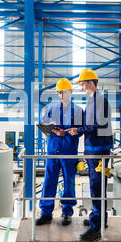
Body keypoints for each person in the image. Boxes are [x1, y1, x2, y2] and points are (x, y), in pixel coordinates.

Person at [67, 68, 113, 241]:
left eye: (83, 83)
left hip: (98, 150)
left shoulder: (99, 101)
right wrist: (77, 130)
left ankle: (96, 228)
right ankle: (100, 220)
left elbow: (95, 126)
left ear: (91, 83)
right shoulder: (94, 100)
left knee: (96, 186)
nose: (81, 87)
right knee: (98, 186)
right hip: (94, 149)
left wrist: (77, 130)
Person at [36, 78, 84, 226]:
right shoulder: (51, 108)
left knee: (69, 181)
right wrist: (50, 128)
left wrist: (67, 134)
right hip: (52, 149)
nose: (62, 95)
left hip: (69, 150)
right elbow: (44, 125)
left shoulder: (78, 111)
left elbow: (82, 130)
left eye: (64, 92)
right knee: (49, 180)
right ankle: (46, 213)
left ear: (71, 92)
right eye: (59, 93)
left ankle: (67, 212)